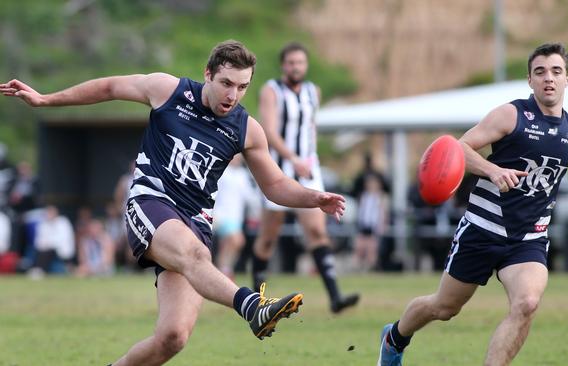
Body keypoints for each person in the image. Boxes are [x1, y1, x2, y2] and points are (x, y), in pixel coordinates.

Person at [1, 39, 346, 366]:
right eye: (226, 83)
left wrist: (313, 197)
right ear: (207, 74)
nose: (233, 95)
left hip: (194, 220)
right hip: (150, 201)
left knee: (173, 337)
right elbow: (108, 88)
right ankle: (252, 306)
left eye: (242, 87)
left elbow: (274, 186)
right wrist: (46, 100)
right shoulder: (168, 90)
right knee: (196, 256)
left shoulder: (247, 129)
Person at [377, 43, 568, 366]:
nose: (548, 78)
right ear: (530, 80)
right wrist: (493, 169)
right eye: (540, 72)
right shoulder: (511, 115)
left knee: (527, 303)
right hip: (482, 229)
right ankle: (394, 339)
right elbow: (457, 148)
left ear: (567, 80)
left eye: (556, 71)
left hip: (529, 239)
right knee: (444, 308)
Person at [251, 42, 359, 313]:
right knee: (268, 236)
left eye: (299, 62)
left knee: (316, 231)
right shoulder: (271, 91)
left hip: (309, 170)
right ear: (282, 65)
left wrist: (307, 159)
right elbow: (269, 131)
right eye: (290, 63)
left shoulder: (313, 91)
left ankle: (335, 297)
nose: (295, 67)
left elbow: (310, 128)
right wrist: (292, 158)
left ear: (306, 65)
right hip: (279, 170)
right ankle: (254, 299)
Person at [212, 153, 257, 279]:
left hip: (236, 216)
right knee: (237, 240)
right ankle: (224, 269)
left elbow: (250, 197)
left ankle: (222, 270)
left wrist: (255, 213)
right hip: (221, 214)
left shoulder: (243, 174)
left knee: (228, 244)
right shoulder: (222, 172)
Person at [354, 173, 389, 272]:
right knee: (359, 247)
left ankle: (370, 269)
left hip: (374, 226)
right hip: (364, 225)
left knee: (371, 250)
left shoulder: (381, 197)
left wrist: (382, 225)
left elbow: (383, 213)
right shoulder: (364, 196)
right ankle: (359, 268)